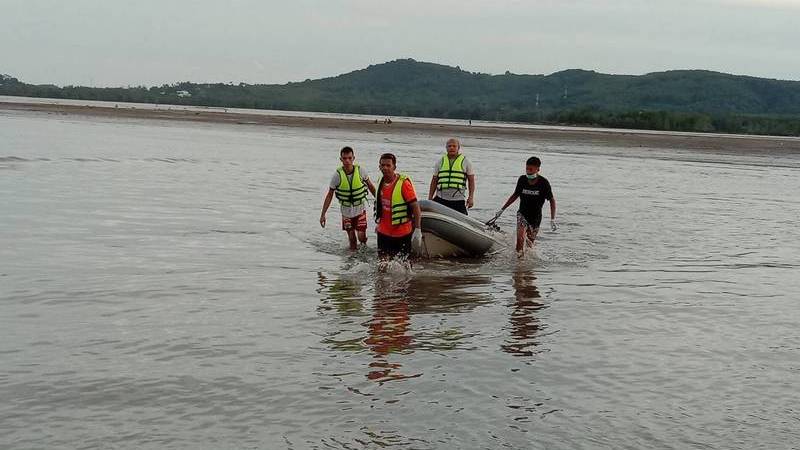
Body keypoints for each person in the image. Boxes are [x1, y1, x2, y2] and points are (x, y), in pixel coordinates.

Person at [493, 156, 557, 256]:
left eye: (531, 169)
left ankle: (527, 265)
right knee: (520, 238)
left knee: (529, 245)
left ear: (538, 169)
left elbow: (552, 201)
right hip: (522, 214)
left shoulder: (544, 183)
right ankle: (519, 263)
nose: (528, 171)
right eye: (527, 168)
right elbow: (515, 195)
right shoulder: (522, 179)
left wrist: (552, 219)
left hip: (536, 217)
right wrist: (502, 209)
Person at [320, 146, 377, 250]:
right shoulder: (337, 176)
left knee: (361, 237)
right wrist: (323, 214)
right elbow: (329, 195)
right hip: (346, 212)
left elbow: (371, 187)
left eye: (349, 158)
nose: (347, 161)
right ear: (341, 159)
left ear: (353, 158)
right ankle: (351, 262)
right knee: (352, 239)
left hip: (360, 209)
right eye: (344, 158)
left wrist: (380, 200)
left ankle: (364, 250)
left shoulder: (361, 171)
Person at [375, 153, 422, 260]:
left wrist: (418, 229)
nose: (385, 168)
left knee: (404, 265)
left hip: (402, 232)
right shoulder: (380, 181)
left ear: (394, 167)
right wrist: (378, 223)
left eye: (388, 165)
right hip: (383, 231)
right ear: (379, 167)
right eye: (382, 165)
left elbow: (415, 206)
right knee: (382, 264)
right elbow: (380, 205)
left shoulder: (403, 184)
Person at [428, 138, 475, 215]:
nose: (452, 148)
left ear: (458, 148)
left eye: (454, 146)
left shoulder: (466, 162)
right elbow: (434, 180)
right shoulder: (440, 161)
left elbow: (471, 180)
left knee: (463, 219)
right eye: (449, 146)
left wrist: (471, 197)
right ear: (446, 148)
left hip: (458, 199)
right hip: (441, 198)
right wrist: (430, 197)